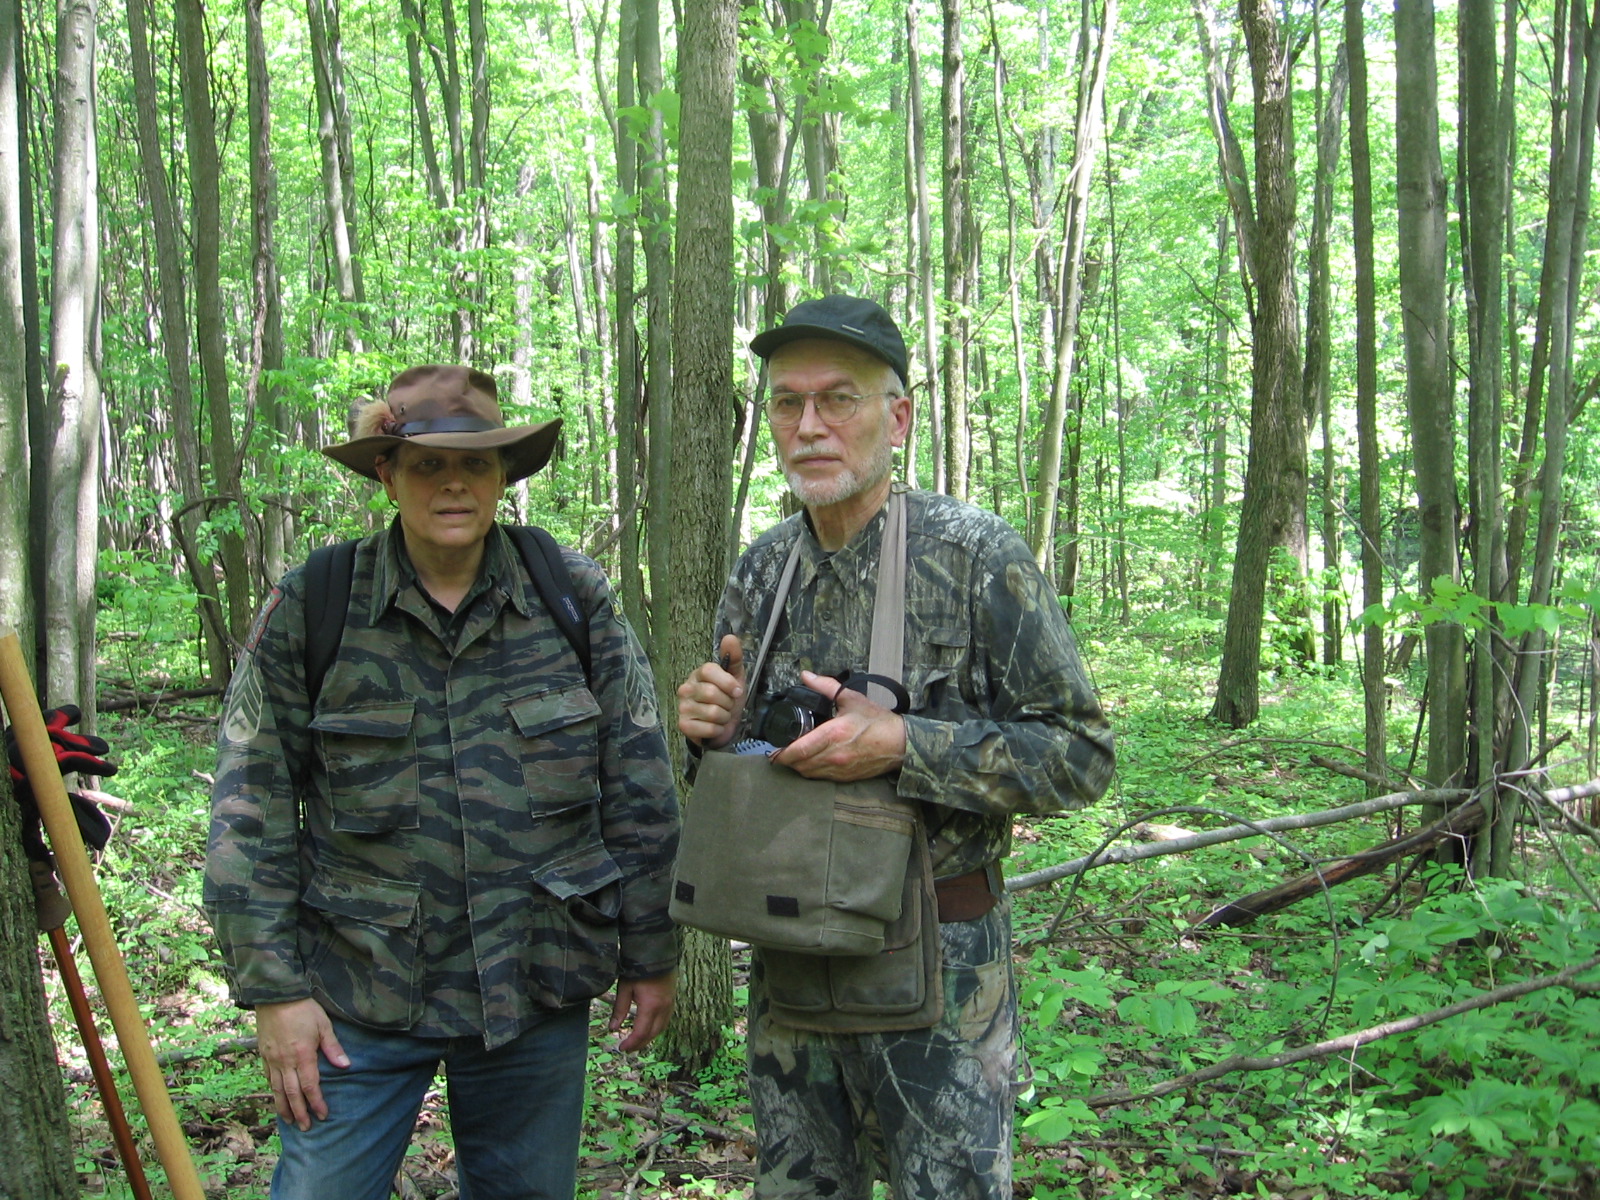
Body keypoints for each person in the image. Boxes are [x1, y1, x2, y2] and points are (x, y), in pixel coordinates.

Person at [205, 365, 680, 1200]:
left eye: (478, 464)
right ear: (387, 474)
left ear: (504, 477)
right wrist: (273, 991)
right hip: (357, 994)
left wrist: (651, 951)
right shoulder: (316, 602)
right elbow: (250, 803)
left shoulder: (569, 595)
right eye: (427, 465)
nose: (454, 482)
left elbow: (638, 778)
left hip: (534, 981)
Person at [676, 296, 1115, 1200]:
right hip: (789, 962)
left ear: (898, 416)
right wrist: (714, 736)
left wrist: (907, 745)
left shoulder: (972, 556)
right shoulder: (763, 571)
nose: (809, 426)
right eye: (787, 403)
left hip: (942, 976)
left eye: (839, 399)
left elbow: (1081, 753)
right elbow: (741, 778)